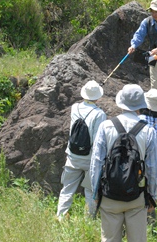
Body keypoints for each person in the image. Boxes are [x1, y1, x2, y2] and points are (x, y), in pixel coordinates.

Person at [90, 84, 157, 242]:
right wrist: (152, 196)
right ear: (141, 105)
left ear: (120, 102)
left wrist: (95, 194)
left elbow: (96, 163)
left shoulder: (105, 126)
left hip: (109, 196)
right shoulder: (148, 131)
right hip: (136, 196)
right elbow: (153, 168)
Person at [56, 80, 107, 221]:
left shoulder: (75, 107)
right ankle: (88, 221)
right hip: (90, 159)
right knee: (90, 191)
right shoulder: (100, 114)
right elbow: (98, 140)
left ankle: (60, 217)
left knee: (67, 189)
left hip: (72, 156)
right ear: (98, 97)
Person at [139, 88, 157, 227]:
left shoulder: (140, 119)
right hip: (153, 158)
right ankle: (152, 224)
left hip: (138, 158)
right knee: (150, 190)